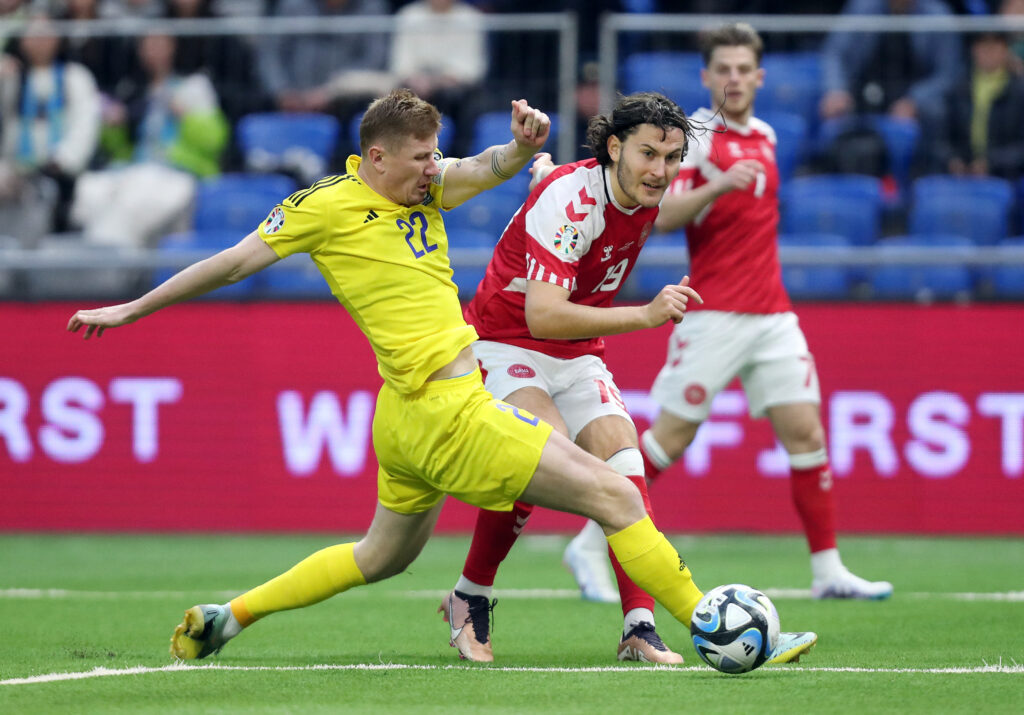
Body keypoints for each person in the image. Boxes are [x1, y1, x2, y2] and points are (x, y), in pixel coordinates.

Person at [68, 90, 730, 663]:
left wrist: (518, 146)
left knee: (379, 557)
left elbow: (484, 167)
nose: (431, 171)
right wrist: (134, 307)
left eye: (433, 155)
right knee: (617, 493)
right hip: (449, 414)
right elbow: (233, 262)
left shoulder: (428, 182)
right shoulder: (322, 206)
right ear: (376, 156)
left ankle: (229, 614)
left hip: (405, 415)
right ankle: (716, 627)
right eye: (420, 158)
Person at [639, 23, 894, 600]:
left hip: (773, 313)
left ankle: (828, 570)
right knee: (669, 440)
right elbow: (663, 215)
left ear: (759, 76)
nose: (733, 78)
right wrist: (719, 184)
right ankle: (589, 541)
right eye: (722, 69)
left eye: (742, 68)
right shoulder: (696, 139)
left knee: (806, 433)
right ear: (706, 77)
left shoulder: (768, 135)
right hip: (715, 312)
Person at [69, 31, 229, 247]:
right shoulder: (132, 90)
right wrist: (113, 127)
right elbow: (120, 148)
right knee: (90, 188)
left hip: (179, 171)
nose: (153, 51)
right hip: (135, 168)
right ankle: (106, 257)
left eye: (159, 43)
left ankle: (113, 260)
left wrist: (186, 115)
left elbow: (215, 140)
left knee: (137, 194)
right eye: (147, 44)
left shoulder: (194, 86)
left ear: (173, 46)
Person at [819, 0, 961, 131]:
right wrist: (836, 89)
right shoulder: (863, 7)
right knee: (832, 109)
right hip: (864, 89)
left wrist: (914, 101)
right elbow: (835, 53)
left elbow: (947, 73)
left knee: (935, 109)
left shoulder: (937, 15)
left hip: (913, 92)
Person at [389, 0, 487, 158]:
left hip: (456, 92)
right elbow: (401, 65)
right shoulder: (409, 16)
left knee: (460, 103)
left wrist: (442, 80)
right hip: (416, 87)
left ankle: (457, 161)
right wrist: (416, 79)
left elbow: (472, 69)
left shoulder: (470, 18)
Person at [938, 31, 1024, 180]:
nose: (988, 52)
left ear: (1005, 51)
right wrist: (953, 160)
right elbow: (942, 139)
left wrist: (991, 163)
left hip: (1007, 175)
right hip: (961, 174)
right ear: (974, 50)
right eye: (983, 46)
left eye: (994, 46)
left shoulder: (1019, 92)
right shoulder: (958, 89)